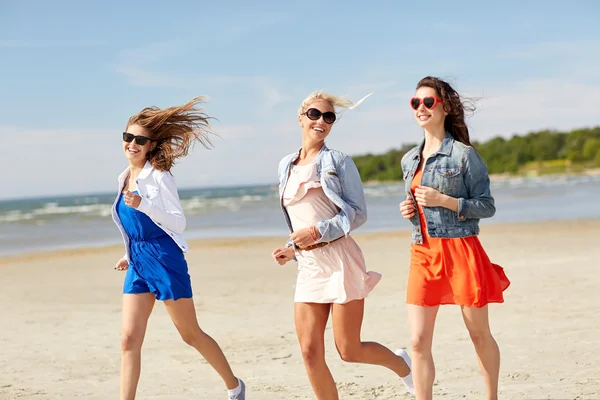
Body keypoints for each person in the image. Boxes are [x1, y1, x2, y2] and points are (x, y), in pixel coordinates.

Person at [271, 90, 414, 399]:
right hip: (309, 267)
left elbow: (358, 214)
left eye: (329, 117)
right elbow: (298, 217)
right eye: (314, 114)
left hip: (339, 261)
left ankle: (402, 365)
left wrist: (316, 233)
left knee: (348, 350)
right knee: (310, 352)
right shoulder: (285, 165)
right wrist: (292, 248)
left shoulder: (337, 161)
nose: (321, 121)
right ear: (300, 118)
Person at [111, 97, 246, 400]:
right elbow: (134, 228)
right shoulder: (123, 177)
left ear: (150, 145)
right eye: (128, 137)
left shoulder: (159, 177)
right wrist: (127, 254)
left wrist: (143, 204)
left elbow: (178, 222)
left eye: (140, 139)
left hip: (165, 261)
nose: (132, 143)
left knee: (190, 335)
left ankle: (234, 386)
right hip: (138, 262)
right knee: (128, 340)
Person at [399, 76, 511, 400]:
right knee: (418, 340)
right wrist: (409, 209)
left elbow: (486, 206)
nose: (421, 108)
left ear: (444, 107)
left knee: (478, 334)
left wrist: (444, 200)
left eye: (428, 102)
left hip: (461, 250)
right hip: (422, 252)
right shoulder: (409, 160)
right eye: (415, 102)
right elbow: (419, 208)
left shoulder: (464, 155)